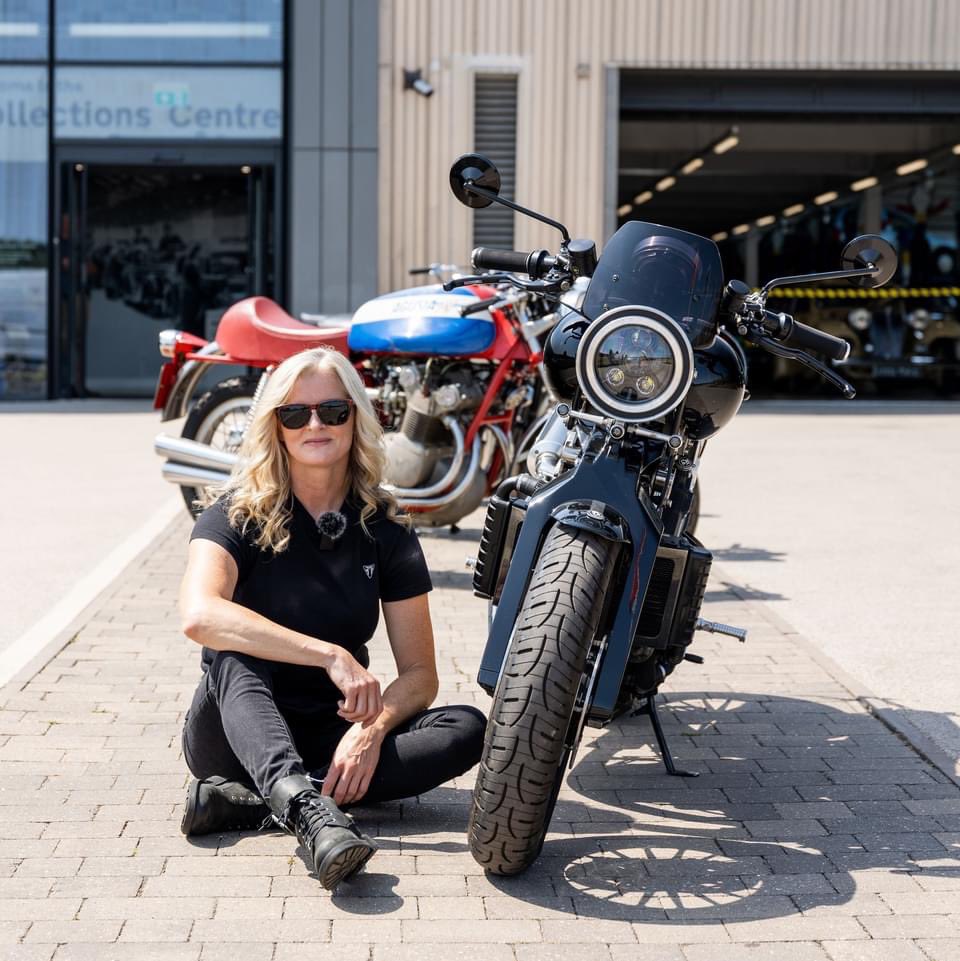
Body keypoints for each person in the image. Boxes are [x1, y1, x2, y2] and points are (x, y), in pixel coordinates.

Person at [178, 346, 486, 889]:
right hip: (233, 732)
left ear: (356, 418)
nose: (314, 424)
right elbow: (200, 615)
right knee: (231, 644)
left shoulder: (386, 527)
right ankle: (305, 810)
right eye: (295, 414)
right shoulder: (234, 513)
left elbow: (421, 675)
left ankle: (257, 802)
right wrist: (330, 654)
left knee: (467, 728)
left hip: (333, 735)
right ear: (276, 427)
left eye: (332, 411)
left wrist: (373, 730)